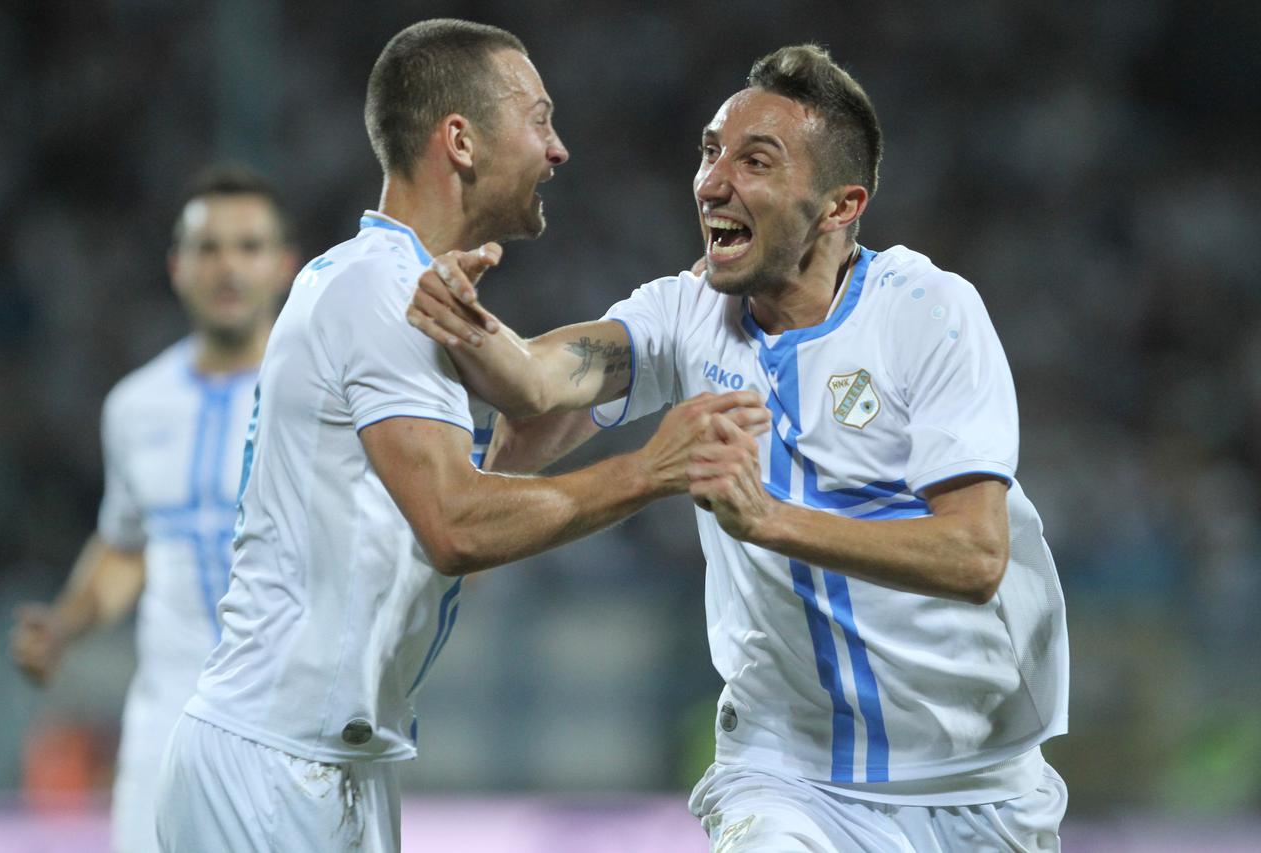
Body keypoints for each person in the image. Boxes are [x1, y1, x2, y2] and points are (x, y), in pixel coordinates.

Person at [409, 44, 1069, 852]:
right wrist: (470, 321)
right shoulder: (687, 314)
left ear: (838, 205)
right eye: (710, 152)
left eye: (755, 160)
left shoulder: (928, 312)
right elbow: (545, 379)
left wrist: (769, 519)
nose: (713, 181)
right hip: (786, 771)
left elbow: (974, 554)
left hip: (977, 782)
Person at [153, 19, 768, 853]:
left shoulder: (393, 285)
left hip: (328, 765)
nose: (558, 150)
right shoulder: (382, 291)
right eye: (539, 118)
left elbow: (481, 479)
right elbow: (456, 525)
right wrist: (651, 470)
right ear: (461, 140)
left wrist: (670, 339)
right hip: (274, 765)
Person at [8, 166, 298, 853]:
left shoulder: (321, 400)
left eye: (249, 246)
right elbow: (128, 545)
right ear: (177, 266)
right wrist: (65, 623)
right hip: (164, 729)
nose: (228, 265)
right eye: (208, 247)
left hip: (290, 732)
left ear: (286, 266)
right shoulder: (136, 406)